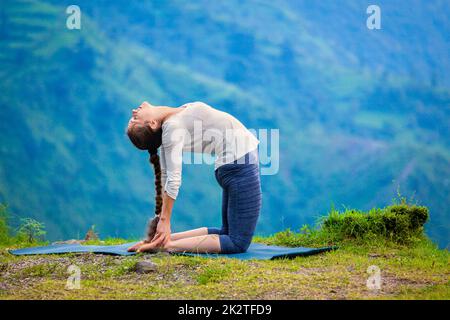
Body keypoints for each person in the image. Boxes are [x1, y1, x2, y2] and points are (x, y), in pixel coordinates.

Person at [126, 101, 262, 254]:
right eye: (135, 120)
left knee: (227, 232)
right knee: (237, 242)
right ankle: (166, 246)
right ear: (152, 123)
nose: (133, 112)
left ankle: (160, 241)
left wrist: (158, 231)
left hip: (233, 165)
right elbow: (172, 179)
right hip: (239, 166)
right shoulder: (172, 128)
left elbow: (165, 175)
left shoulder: (171, 122)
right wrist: (164, 220)